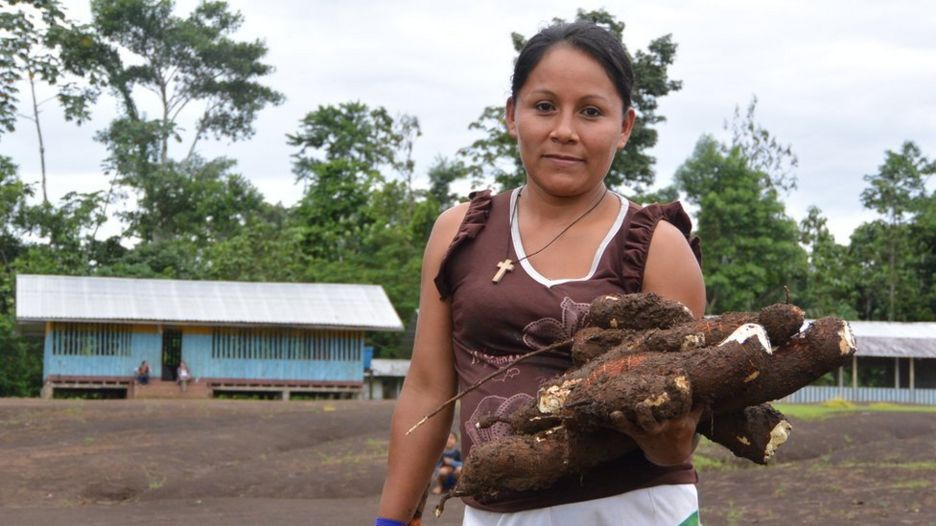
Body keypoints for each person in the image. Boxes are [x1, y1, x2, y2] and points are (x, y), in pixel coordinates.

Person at [377, 21, 706, 526]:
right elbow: (426, 389)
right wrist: (392, 521)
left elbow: (677, 438)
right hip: (497, 516)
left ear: (625, 127)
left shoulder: (658, 247)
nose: (564, 131)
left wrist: (669, 434)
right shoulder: (458, 233)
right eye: (544, 106)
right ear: (512, 115)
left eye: (591, 112)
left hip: (635, 511)